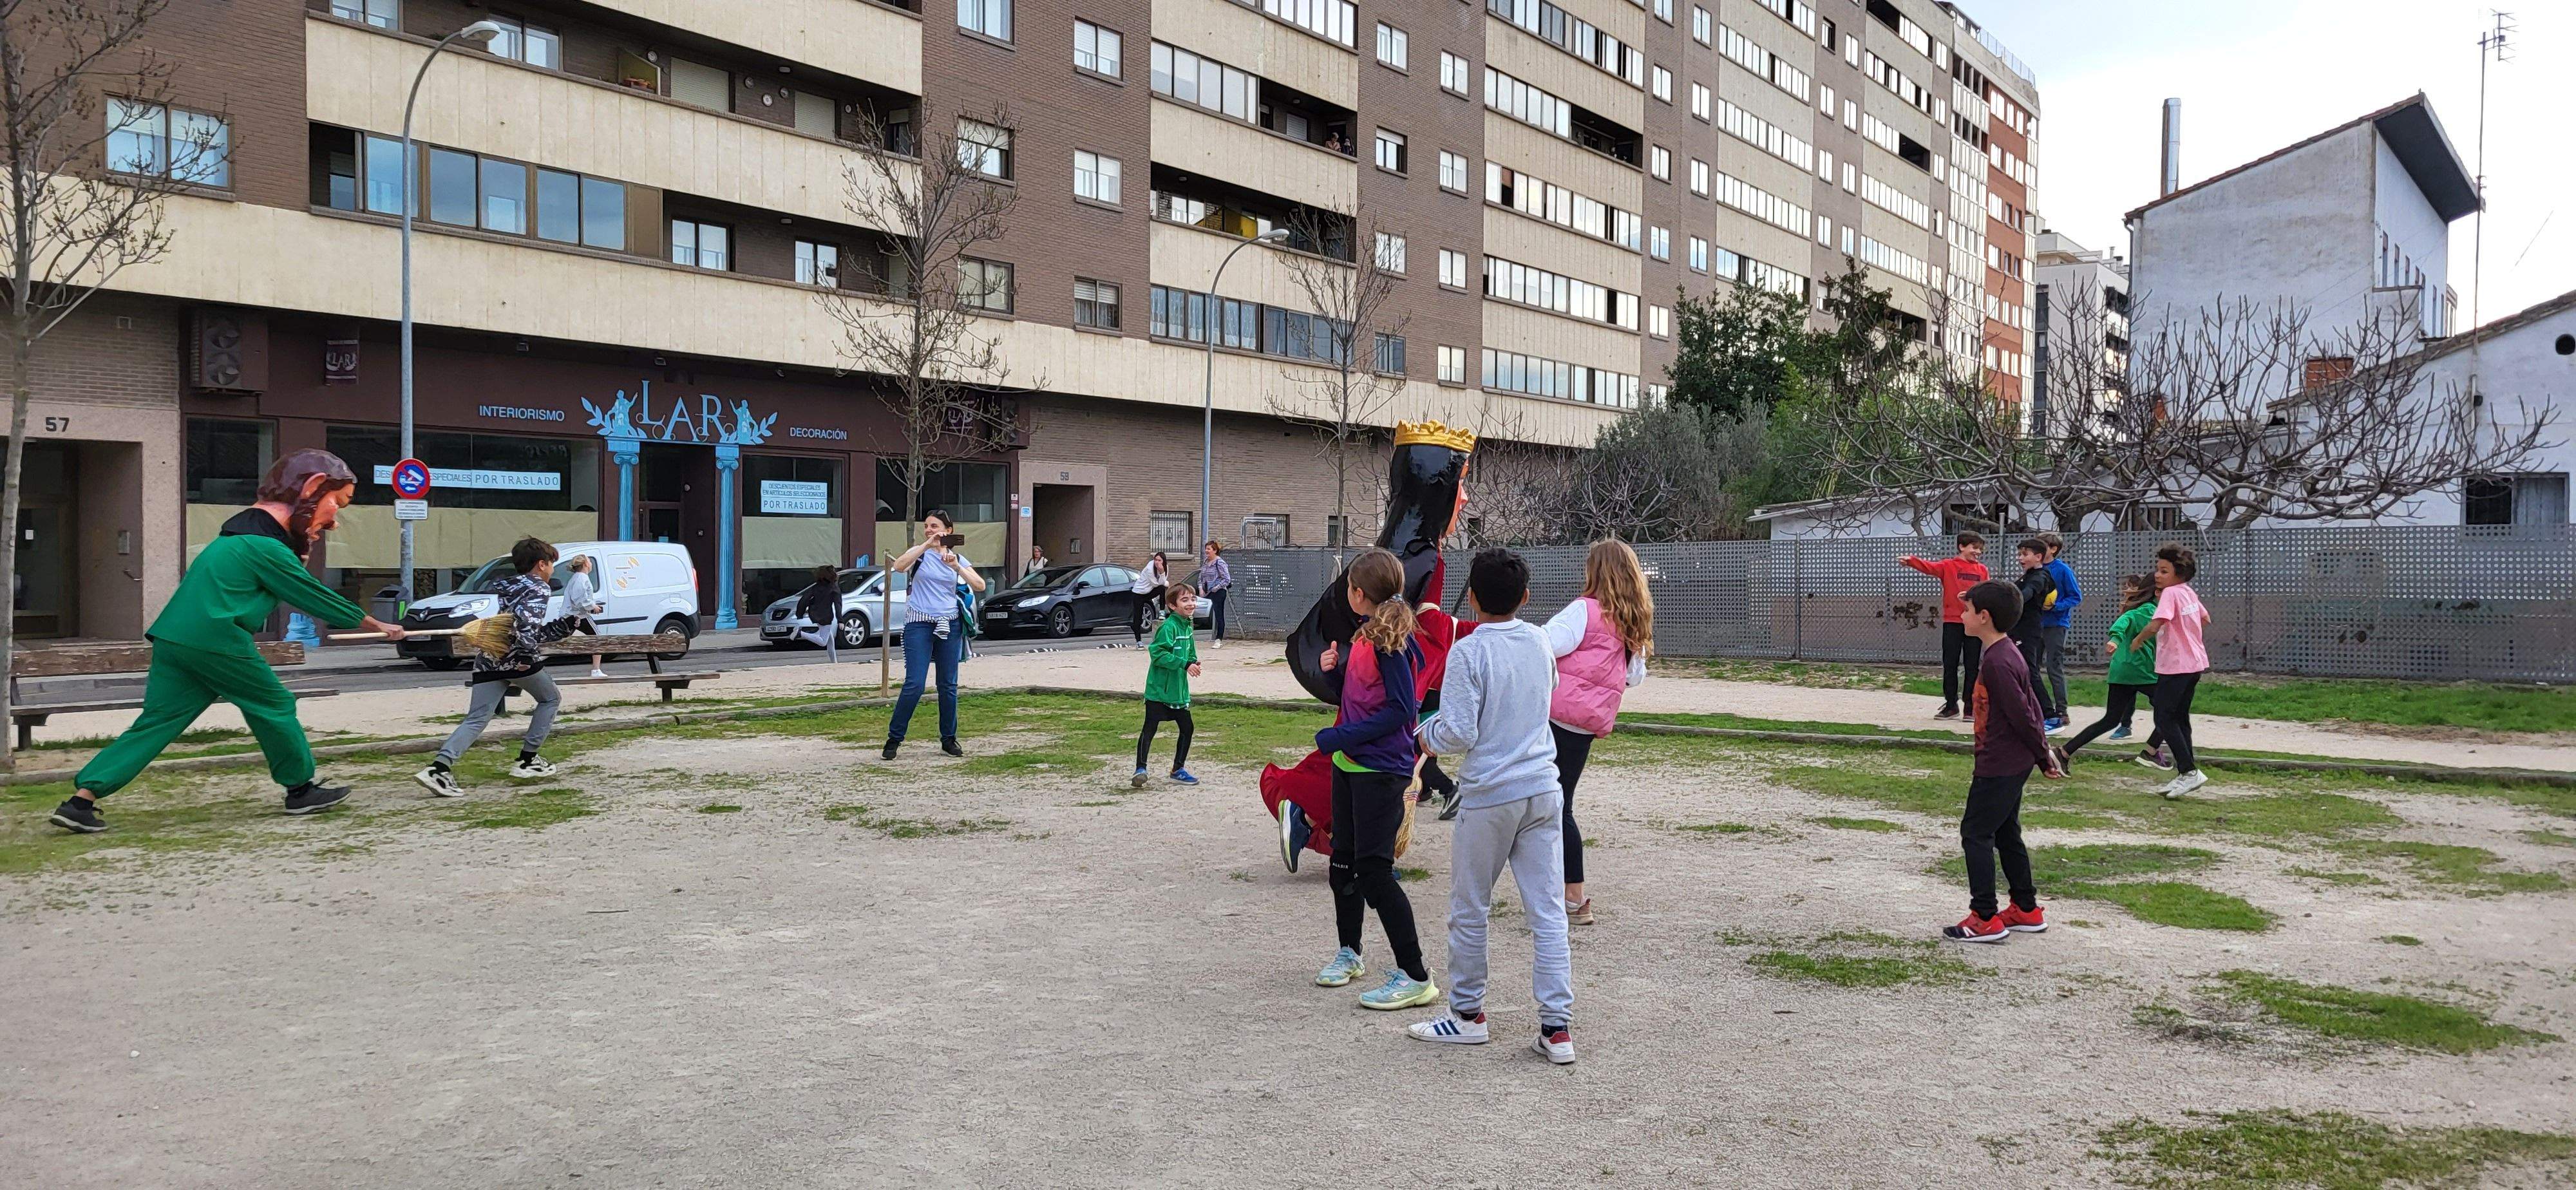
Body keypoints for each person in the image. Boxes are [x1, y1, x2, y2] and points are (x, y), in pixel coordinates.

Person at [48, 451, 408, 833]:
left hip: (175, 638)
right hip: (215, 638)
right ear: (313, 488)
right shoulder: (262, 546)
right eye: (337, 502)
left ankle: (81, 801)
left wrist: (304, 543)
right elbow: (308, 592)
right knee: (274, 704)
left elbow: (290, 576)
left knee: (158, 721)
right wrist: (375, 624)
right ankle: (301, 790)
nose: (335, 519)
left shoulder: (237, 540)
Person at [1408, 549, 1577, 1064]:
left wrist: (1423, 734)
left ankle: (1467, 1015)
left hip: (1491, 795)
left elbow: (1459, 730)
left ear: (1473, 598)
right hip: (1543, 788)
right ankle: (1556, 1027)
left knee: (1470, 906)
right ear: (1526, 597)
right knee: (1547, 912)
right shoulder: (1540, 642)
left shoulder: (1470, 651)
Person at [1309, 548, 1438, 1012]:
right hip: (1350, 767)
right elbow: (1364, 697)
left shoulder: (1393, 642)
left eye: (1348, 587)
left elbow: (1403, 711)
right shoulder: (1367, 634)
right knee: (1342, 861)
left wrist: (1338, 736)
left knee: (1376, 874)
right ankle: (1350, 953)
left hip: (1381, 772)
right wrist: (1338, 672)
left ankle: (1416, 977)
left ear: (1359, 594)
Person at [415, 537, 589, 797]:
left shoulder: (509, 588)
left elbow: (516, 626)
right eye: (552, 564)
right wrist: (526, 657)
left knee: (477, 718)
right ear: (541, 565)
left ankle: (439, 768)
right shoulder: (539, 588)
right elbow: (525, 628)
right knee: (550, 698)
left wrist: (563, 627)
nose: (553, 569)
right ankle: (528, 760)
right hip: (516, 660)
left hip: (489, 658)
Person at [1540, 539, 1653, 928]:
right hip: (1586, 725)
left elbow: (1545, 645)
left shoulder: (1582, 611)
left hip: (1556, 717)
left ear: (1595, 570)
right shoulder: (1630, 625)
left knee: (1551, 807)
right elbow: (1635, 678)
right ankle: (1570, 895)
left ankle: (1570, 895)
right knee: (1560, 803)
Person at [1944, 580, 2063, 943]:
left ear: (1983, 617)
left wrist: (2044, 756)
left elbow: (2024, 714)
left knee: (1976, 833)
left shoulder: (1998, 661)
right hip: (2012, 761)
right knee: (2006, 832)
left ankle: (1984, 918)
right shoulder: (2006, 650)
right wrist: (2039, 754)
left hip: (2000, 763)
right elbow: (2029, 708)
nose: (1961, 614)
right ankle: (2026, 909)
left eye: (1967, 610)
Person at [882, 511, 985, 759]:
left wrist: (957, 566)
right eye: (927, 526)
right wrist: (927, 545)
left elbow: (980, 585)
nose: (929, 530)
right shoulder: (920, 554)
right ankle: (894, 739)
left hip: (949, 624)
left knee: (948, 685)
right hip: (919, 623)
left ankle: (949, 739)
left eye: (935, 526)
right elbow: (898, 566)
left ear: (949, 530)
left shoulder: (957, 558)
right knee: (915, 684)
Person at [2132, 542, 2212, 798]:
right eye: (2157, 569)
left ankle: (2189, 771)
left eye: (2164, 571)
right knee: (2180, 719)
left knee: (2164, 718)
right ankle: (2185, 773)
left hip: (2176, 666)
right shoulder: (2188, 592)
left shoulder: (2170, 594)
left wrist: (2138, 640)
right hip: (2195, 663)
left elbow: (2156, 624)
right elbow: (2205, 619)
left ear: (2179, 574)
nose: (2157, 575)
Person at [2060, 574, 2166, 765]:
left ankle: (2064, 753)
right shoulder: (2149, 610)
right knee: (2172, 712)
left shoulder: (2150, 609)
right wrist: (2115, 639)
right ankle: (2151, 752)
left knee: (2110, 720)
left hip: (2121, 671)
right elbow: (2125, 620)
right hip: (2141, 671)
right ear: (2158, 592)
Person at [1899, 531, 1989, 719]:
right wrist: (1911, 561)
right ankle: (1951, 704)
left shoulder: (1982, 570)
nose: (1978, 552)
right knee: (1950, 664)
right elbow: (1930, 567)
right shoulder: (1949, 566)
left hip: (1974, 624)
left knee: (1973, 666)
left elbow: (1989, 593)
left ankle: (1970, 707)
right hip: (1953, 622)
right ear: (1962, 547)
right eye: (1974, 547)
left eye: (1980, 549)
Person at [1133, 583, 1203, 788]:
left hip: (1178, 692)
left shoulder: (1187, 626)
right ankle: (1140, 769)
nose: (1190, 603)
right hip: (1159, 691)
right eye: (1185, 600)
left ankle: (1178, 770)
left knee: (1187, 728)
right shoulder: (1168, 627)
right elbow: (1158, 654)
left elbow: (1190, 652)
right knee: (1149, 728)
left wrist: (1193, 662)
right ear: (1172, 606)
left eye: (1192, 599)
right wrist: (1184, 664)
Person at [2009, 539, 2061, 725]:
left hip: (2028, 632)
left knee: (2030, 672)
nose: (2020, 558)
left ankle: (2051, 716)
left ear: (2038, 557)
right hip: (2017, 630)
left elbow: (2029, 593)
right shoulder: (2027, 576)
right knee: (2017, 671)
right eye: (2020, 554)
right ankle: (2028, 713)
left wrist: (2016, 601)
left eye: (2025, 554)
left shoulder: (2040, 576)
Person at [2036, 532, 2083, 732]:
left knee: (2054, 667)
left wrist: (2056, 606)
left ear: (2053, 549)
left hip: (2056, 624)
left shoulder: (2062, 570)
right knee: (2031, 668)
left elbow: (2076, 597)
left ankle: (2062, 711)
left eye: (2042, 546)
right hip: (2035, 625)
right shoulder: (2033, 570)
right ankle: (2037, 708)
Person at [560, 554, 607, 677]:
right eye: (590, 562)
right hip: (579, 616)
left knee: (560, 638)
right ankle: (596, 670)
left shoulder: (576, 578)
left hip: (571, 614)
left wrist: (591, 606)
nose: (591, 564)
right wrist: (592, 607)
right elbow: (580, 599)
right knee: (598, 638)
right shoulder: (582, 578)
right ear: (586, 564)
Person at [791, 564, 845, 663]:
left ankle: (834, 662)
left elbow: (805, 599)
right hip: (826, 617)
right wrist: (840, 620)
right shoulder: (834, 588)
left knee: (830, 638)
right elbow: (838, 604)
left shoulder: (816, 587)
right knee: (823, 641)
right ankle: (800, 633)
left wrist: (800, 613)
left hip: (814, 614)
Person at [1129, 551, 1170, 641]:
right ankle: (1138, 641)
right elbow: (1156, 583)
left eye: (1160, 560)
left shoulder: (1165, 568)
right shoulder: (1149, 568)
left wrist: (1162, 572)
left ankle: (1162, 611)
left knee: (1162, 588)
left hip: (1148, 592)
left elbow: (1162, 584)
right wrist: (1162, 574)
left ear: (1163, 561)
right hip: (1138, 594)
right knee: (1138, 618)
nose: (1157, 562)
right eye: (1156, 560)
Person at [1199, 540, 1233, 650]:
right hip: (1207, 591)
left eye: (1209, 549)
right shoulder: (1205, 562)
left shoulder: (1220, 563)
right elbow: (1201, 576)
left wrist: (1216, 587)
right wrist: (1201, 588)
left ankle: (1219, 639)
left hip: (1218, 592)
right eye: (1206, 549)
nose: (1206, 551)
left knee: (1219, 614)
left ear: (1215, 550)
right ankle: (1213, 636)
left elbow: (1227, 579)